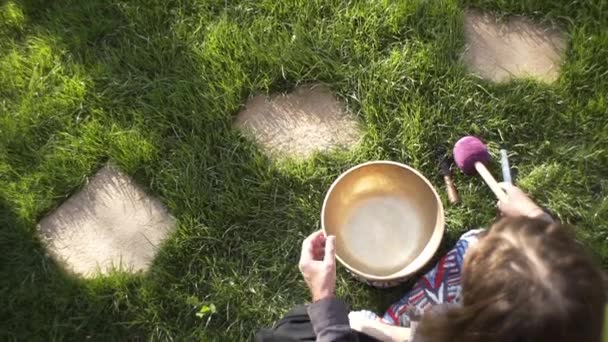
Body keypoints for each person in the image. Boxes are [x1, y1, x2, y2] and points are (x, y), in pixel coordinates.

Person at [256, 185, 606, 341]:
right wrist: (533, 217)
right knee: (474, 240)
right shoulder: (584, 307)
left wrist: (325, 298)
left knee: (297, 331)